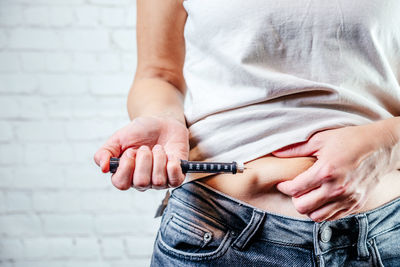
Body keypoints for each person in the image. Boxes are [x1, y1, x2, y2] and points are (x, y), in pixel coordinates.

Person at [94, 0, 400, 266]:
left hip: (387, 237)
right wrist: (161, 118)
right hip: (215, 237)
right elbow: (158, 73)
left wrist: (388, 143)